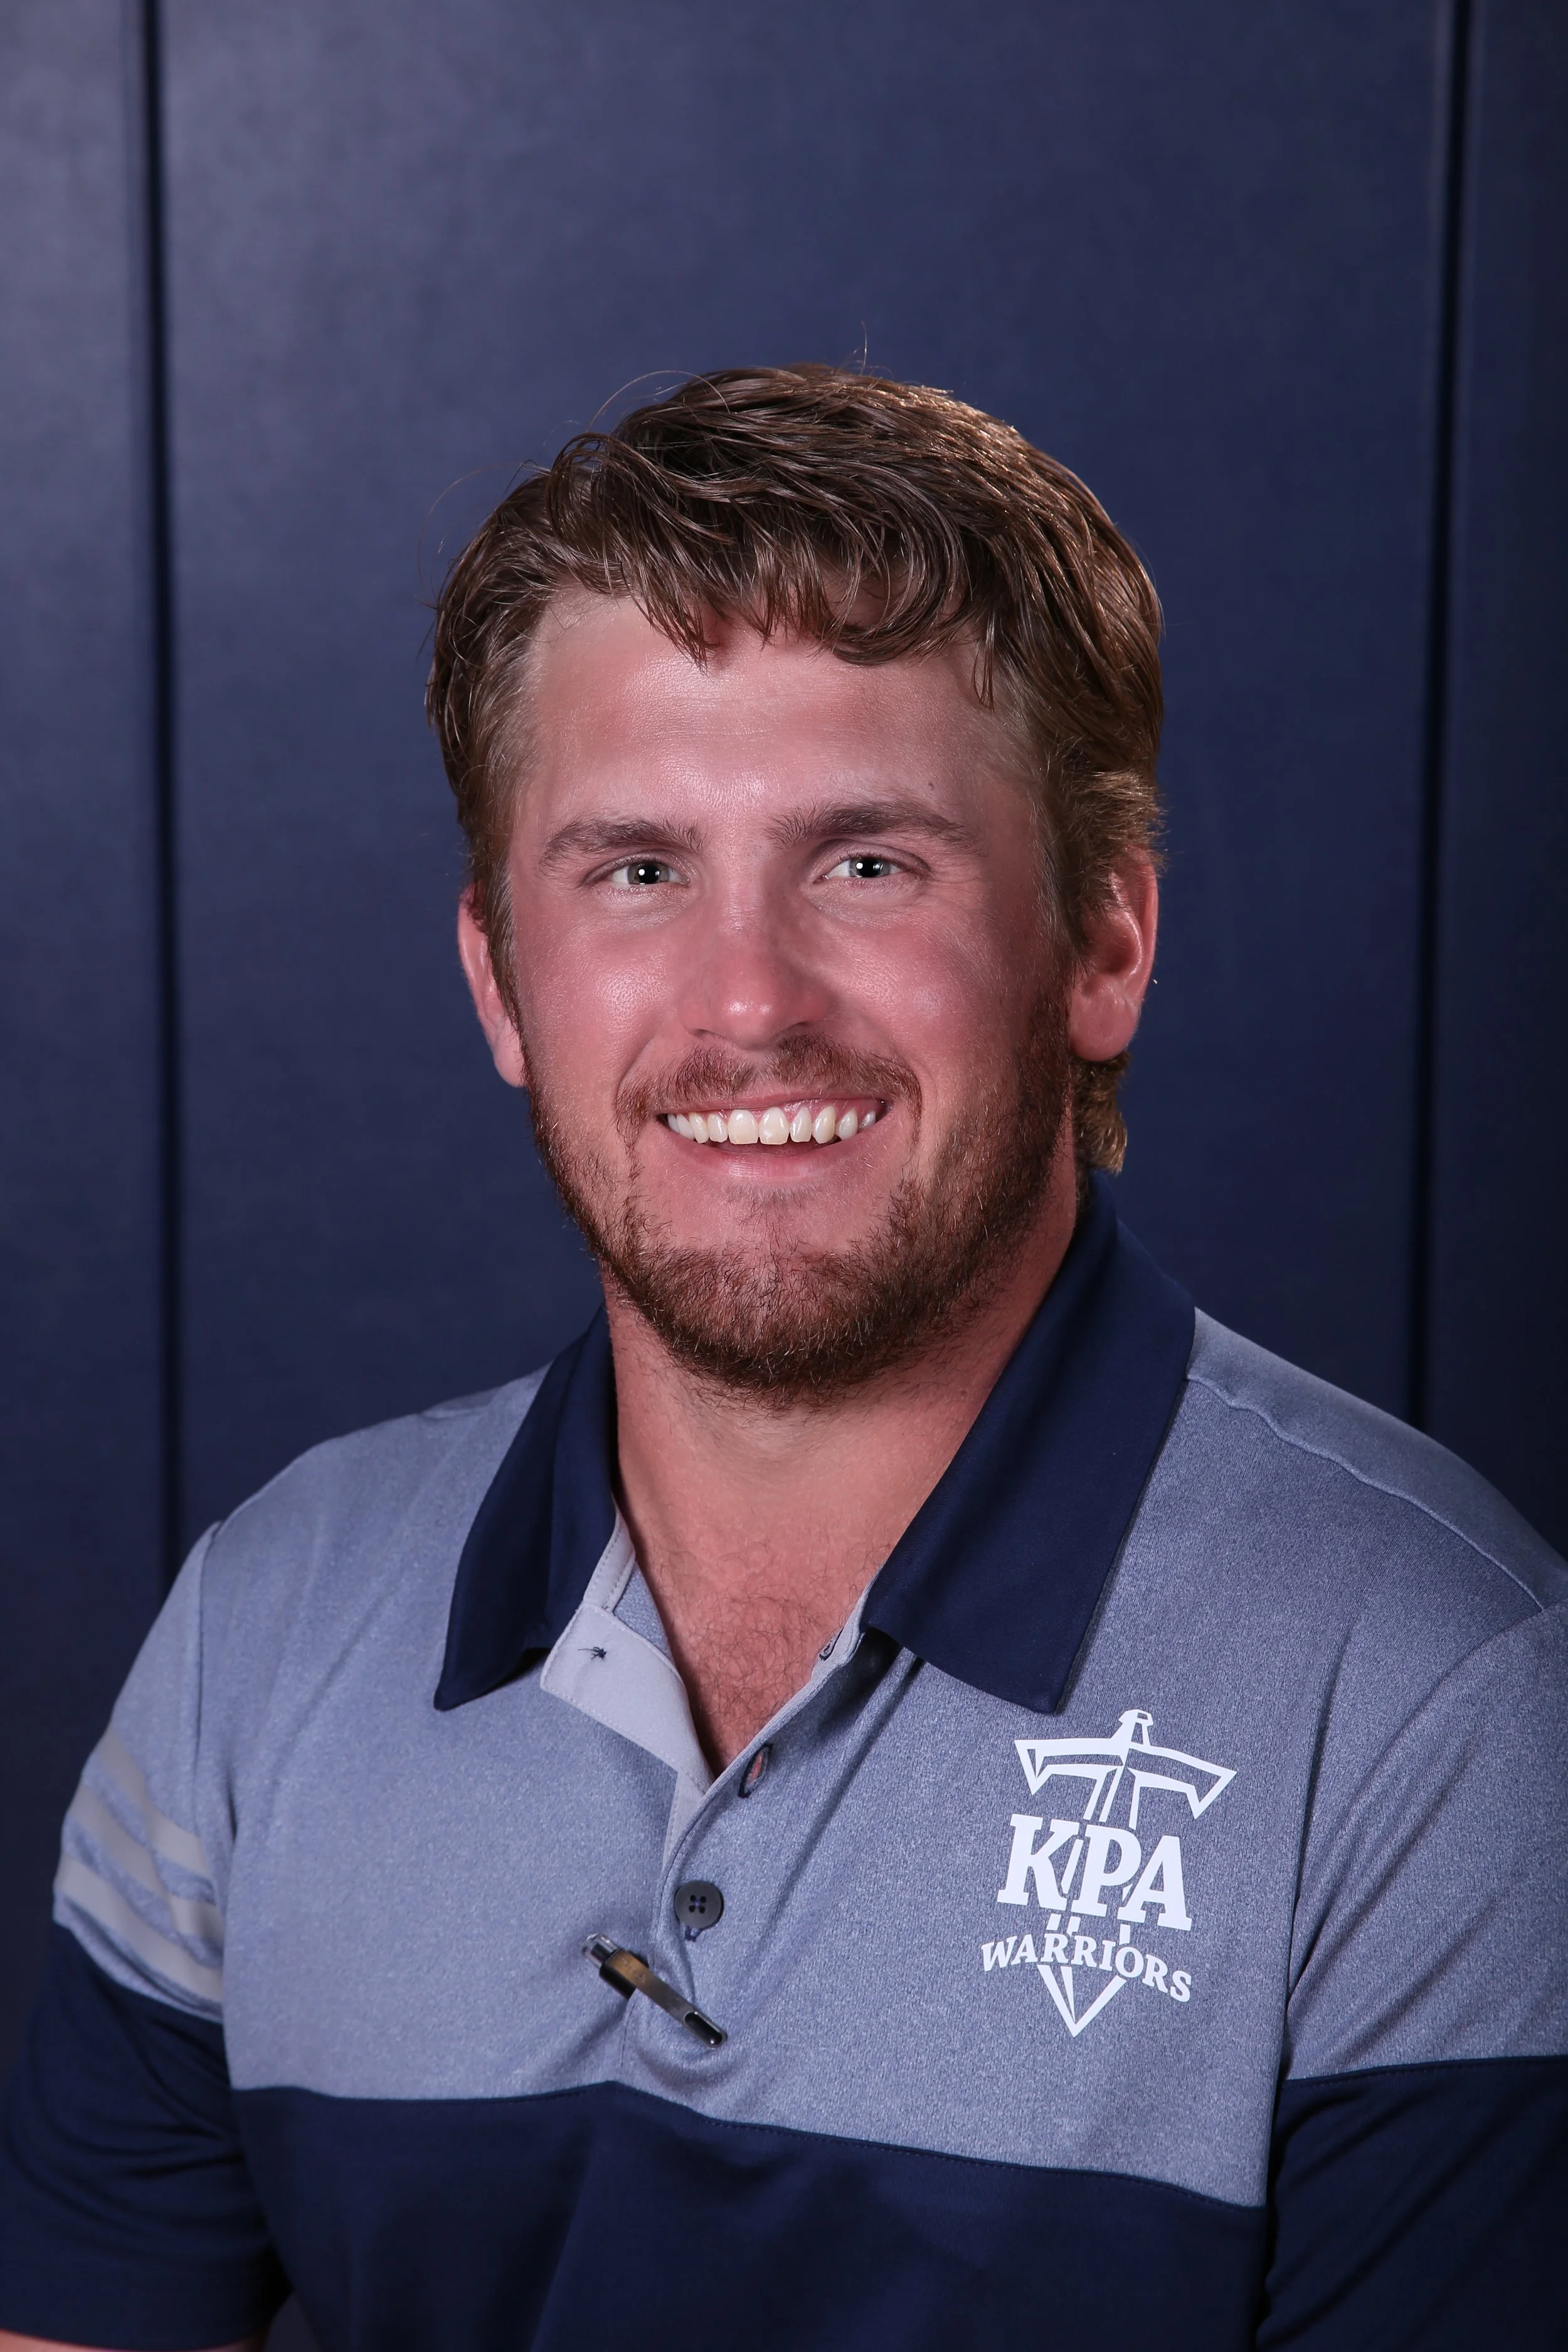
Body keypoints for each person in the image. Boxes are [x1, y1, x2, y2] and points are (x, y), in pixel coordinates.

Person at [0, 366, 1562, 2352]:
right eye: (636, 869)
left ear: (1103, 944)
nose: (749, 1001)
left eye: (868, 861)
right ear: (498, 975)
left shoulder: (1443, 1708)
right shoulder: (265, 1629)